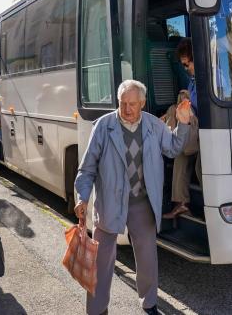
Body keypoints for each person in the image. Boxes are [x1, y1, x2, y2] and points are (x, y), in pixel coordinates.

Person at [74, 79, 191, 315]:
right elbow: (87, 169)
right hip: (109, 203)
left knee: (148, 258)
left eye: (133, 104)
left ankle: (149, 304)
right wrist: (82, 198)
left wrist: (183, 123)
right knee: (101, 261)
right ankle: (97, 310)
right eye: (122, 103)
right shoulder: (103, 127)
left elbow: (173, 148)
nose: (127, 109)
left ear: (143, 103)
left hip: (141, 203)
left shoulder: (154, 126)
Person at [161, 90, 199, 219]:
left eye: (188, 67)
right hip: (192, 142)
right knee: (180, 159)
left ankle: (183, 204)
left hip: (204, 137)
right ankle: (181, 204)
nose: (187, 68)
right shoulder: (192, 83)